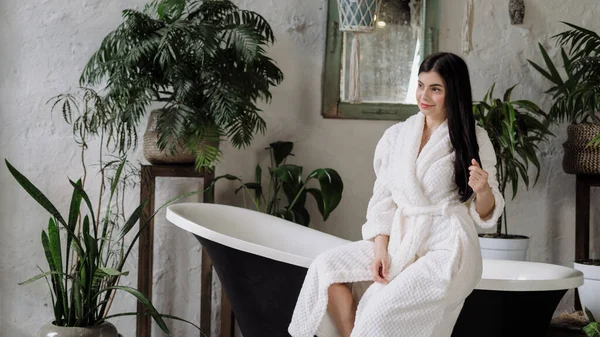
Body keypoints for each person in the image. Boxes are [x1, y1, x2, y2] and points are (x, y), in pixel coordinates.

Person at [287, 52, 505, 337]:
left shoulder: (473, 139)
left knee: (378, 314)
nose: (424, 96)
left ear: (453, 92)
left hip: (446, 247)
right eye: (420, 85)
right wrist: (380, 248)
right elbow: (383, 201)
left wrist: (483, 189)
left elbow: (487, 211)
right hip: (402, 239)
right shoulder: (397, 136)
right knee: (325, 268)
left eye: (435, 89)